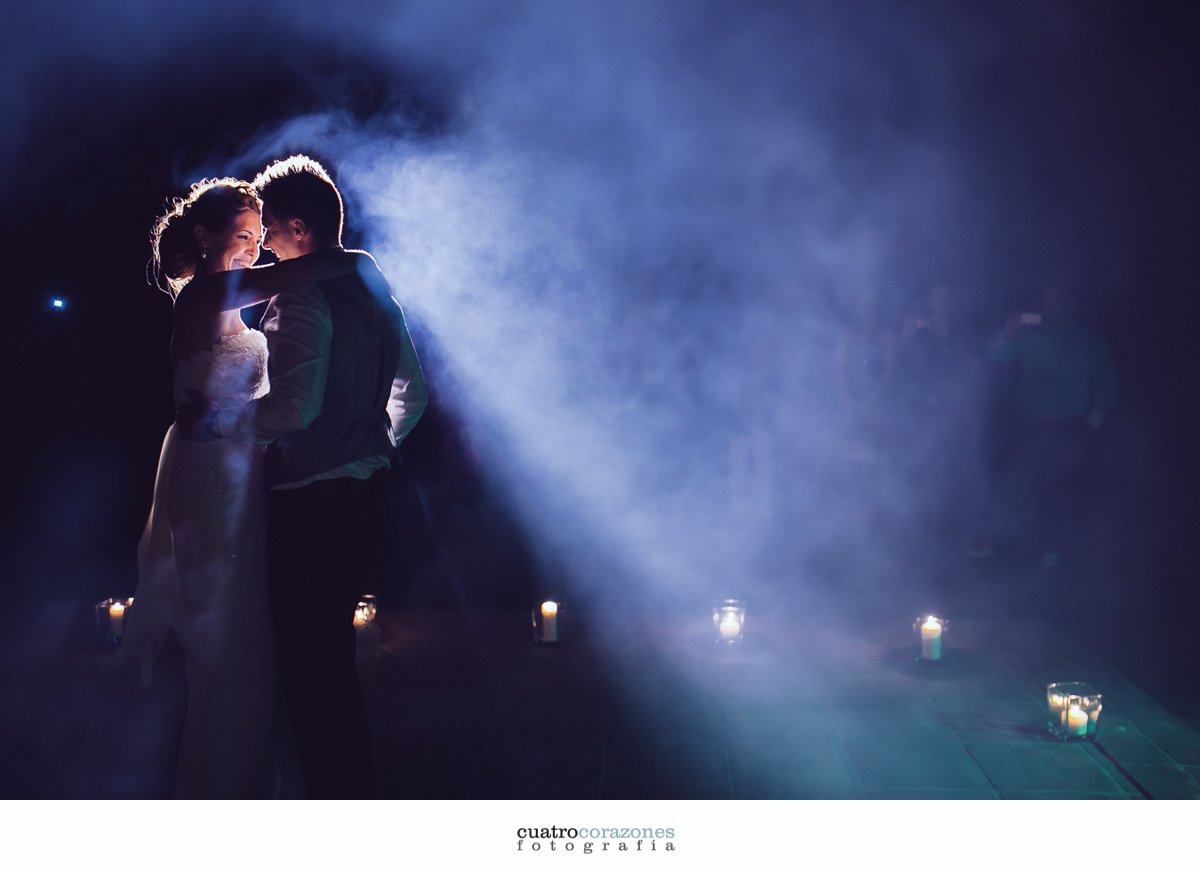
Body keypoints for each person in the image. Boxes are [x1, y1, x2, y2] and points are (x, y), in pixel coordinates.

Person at [183, 155, 427, 798]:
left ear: (297, 227)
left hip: (312, 503)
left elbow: (293, 409)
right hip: (366, 493)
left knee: (312, 672)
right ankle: (345, 794)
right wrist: (371, 445)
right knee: (330, 665)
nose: (263, 245)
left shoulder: (301, 292)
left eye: (268, 231)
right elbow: (414, 393)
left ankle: (336, 803)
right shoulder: (373, 288)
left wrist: (220, 423)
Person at [122, 178, 366, 797]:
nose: (255, 248)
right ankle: (221, 780)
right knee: (226, 630)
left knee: (247, 624)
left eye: (260, 237)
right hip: (211, 475)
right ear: (204, 238)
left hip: (237, 468)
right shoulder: (206, 293)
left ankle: (249, 771)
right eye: (243, 236)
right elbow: (302, 272)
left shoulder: (226, 297)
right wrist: (357, 261)